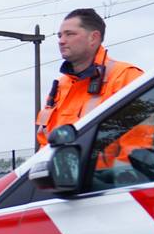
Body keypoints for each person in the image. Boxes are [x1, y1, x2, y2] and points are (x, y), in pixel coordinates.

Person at [36, 8, 144, 147]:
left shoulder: (125, 77)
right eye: (60, 36)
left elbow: (138, 141)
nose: (61, 41)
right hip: (65, 167)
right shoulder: (60, 86)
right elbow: (45, 143)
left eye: (69, 34)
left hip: (106, 169)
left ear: (93, 37)